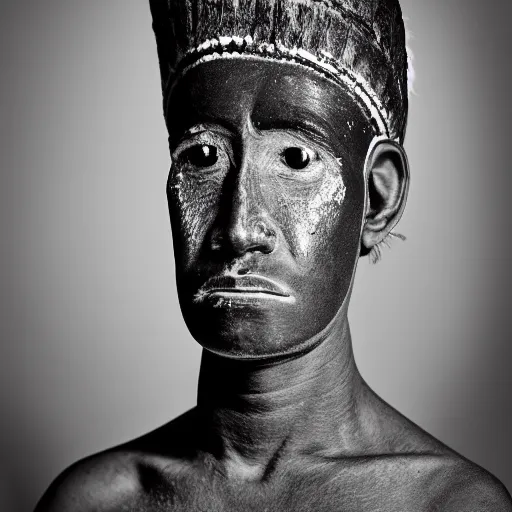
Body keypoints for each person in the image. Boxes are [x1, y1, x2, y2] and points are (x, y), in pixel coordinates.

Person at [35, 0, 512, 510]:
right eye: (202, 157)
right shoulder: (94, 502)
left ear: (376, 197)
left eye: (295, 158)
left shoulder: (449, 505)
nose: (238, 228)